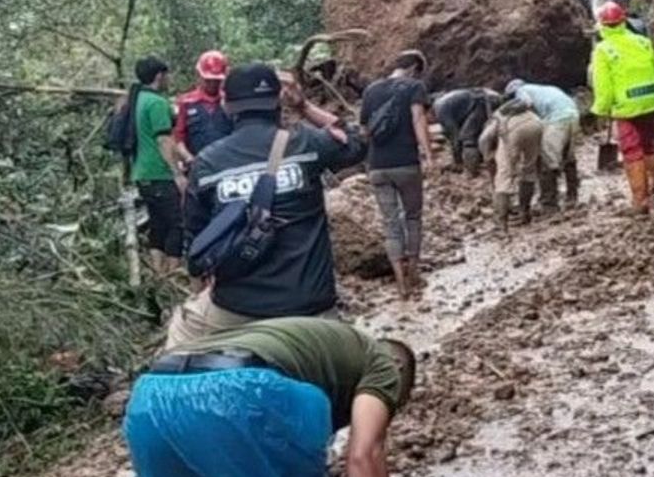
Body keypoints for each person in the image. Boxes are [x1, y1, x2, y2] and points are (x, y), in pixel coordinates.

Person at [167, 63, 366, 348]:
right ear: (278, 101)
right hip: (311, 307)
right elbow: (358, 141)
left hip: (237, 309)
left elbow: (196, 243)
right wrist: (305, 107)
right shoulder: (307, 143)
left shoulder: (207, 163)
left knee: (179, 337)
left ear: (227, 106)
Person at [124, 317, 415, 477]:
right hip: (240, 394)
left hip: (150, 397)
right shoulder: (383, 362)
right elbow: (363, 456)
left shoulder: (315, 340)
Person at [360, 50, 434, 299]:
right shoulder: (414, 86)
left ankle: (400, 284)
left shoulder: (371, 90)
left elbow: (364, 129)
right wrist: (429, 155)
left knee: (391, 224)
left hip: (378, 166)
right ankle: (413, 273)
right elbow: (418, 119)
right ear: (414, 68)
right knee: (413, 217)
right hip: (406, 164)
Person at [589, 2, 654, 213]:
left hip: (627, 106)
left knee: (631, 150)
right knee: (648, 143)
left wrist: (601, 109)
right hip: (651, 99)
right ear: (623, 20)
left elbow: (604, 85)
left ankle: (640, 201)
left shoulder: (603, 49)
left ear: (602, 25)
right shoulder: (643, 41)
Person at [131, 56, 185, 278]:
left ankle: (157, 272)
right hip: (159, 172)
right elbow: (164, 140)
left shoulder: (137, 100)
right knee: (177, 223)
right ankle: (171, 274)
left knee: (158, 222)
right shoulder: (157, 103)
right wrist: (177, 173)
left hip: (141, 173)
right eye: (167, 75)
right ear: (159, 76)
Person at [503, 79, 580, 211]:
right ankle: (572, 196)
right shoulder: (545, 89)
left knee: (547, 159)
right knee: (568, 157)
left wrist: (505, 111)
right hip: (573, 115)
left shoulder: (522, 91)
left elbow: (526, 103)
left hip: (556, 119)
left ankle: (549, 203)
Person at [479, 100, 543, 231]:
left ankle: (501, 223)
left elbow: (484, 140)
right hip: (536, 123)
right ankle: (525, 213)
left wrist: (487, 158)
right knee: (529, 168)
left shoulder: (494, 120)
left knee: (504, 175)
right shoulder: (515, 111)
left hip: (513, 130)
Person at [173, 50, 233, 169]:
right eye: (208, 80)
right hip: (197, 166)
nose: (212, 84)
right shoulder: (186, 102)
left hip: (226, 165)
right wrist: (188, 158)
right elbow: (178, 139)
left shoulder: (231, 102)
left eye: (216, 81)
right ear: (199, 76)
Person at [432, 87, 501, 175]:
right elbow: (450, 133)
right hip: (486, 97)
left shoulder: (440, 110)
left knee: (468, 137)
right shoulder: (443, 103)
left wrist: (457, 160)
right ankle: (479, 160)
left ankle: (471, 170)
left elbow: (455, 136)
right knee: (474, 133)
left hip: (482, 101)